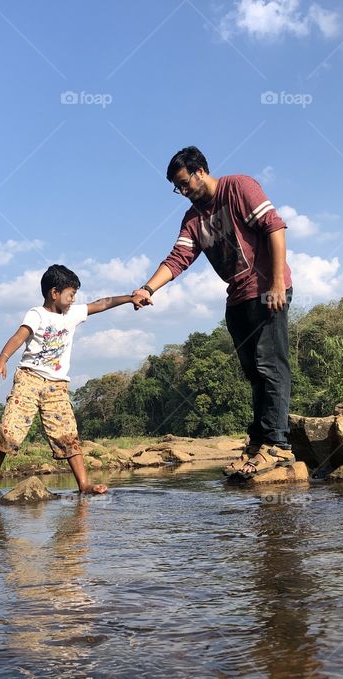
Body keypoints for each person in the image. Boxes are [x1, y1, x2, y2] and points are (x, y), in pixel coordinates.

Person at [131, 146, 295, 477]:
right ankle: (257, 444)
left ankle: (278, 446)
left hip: (266, 291)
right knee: (253, 373)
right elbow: (178, 258)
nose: (183, 192)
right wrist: (148, 288)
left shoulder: (239, 187)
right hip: (236, 299)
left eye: (184, 183)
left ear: (200, 171)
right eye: (177, 188)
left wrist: (276, 284)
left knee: (269, 365)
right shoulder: (193, 219)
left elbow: (274, 228)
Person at [0, 264, 134, 499]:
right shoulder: (36, 314)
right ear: (54, 293)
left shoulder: (73, 314)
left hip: (56, 384)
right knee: (9, 430)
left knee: (67, 433)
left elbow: (103, 303)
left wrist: (130, 298)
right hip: (29, 378)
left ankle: (84, 484)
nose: (73, 300)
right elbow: (19, 337)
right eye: (70, 294)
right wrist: (2, 361)